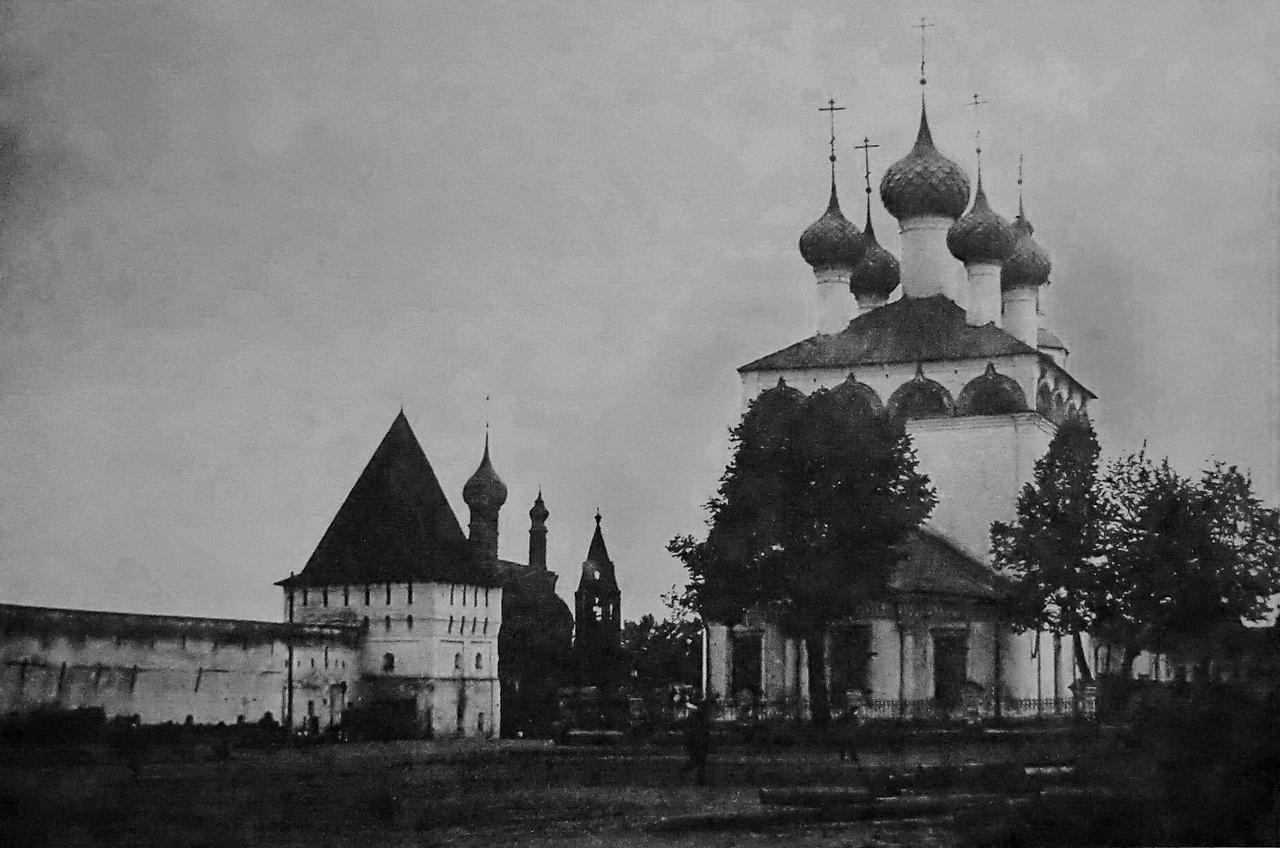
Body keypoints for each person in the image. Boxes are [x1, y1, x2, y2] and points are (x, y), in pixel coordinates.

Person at [680, 697, 713, 785]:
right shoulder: (697, 716)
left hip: (698, 738)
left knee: (699, 760)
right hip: (697, 738)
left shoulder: (695, 716)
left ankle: (700, 778)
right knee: (698, 760)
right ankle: (698, 778)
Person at [834, 689, 867, 763]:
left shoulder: (848, 713)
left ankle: (848, 756)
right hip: (848, 729)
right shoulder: (851, 713)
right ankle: (851, 757)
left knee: (847, 742)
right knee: (848, 741)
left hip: (847, 729)